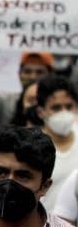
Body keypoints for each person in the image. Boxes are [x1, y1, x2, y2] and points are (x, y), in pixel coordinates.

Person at [0, 50, 53, 126]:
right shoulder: (6, 102)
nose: (33, 77)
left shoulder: (58, 101)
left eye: (40, 72)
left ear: (51, 75)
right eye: (27, 71)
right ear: (19, 74)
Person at [33, 75, 78, 208]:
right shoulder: (33, 146)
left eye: (69, 106)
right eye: (56, 108)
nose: (64, 112)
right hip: (45, 219)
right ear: (41, 112)